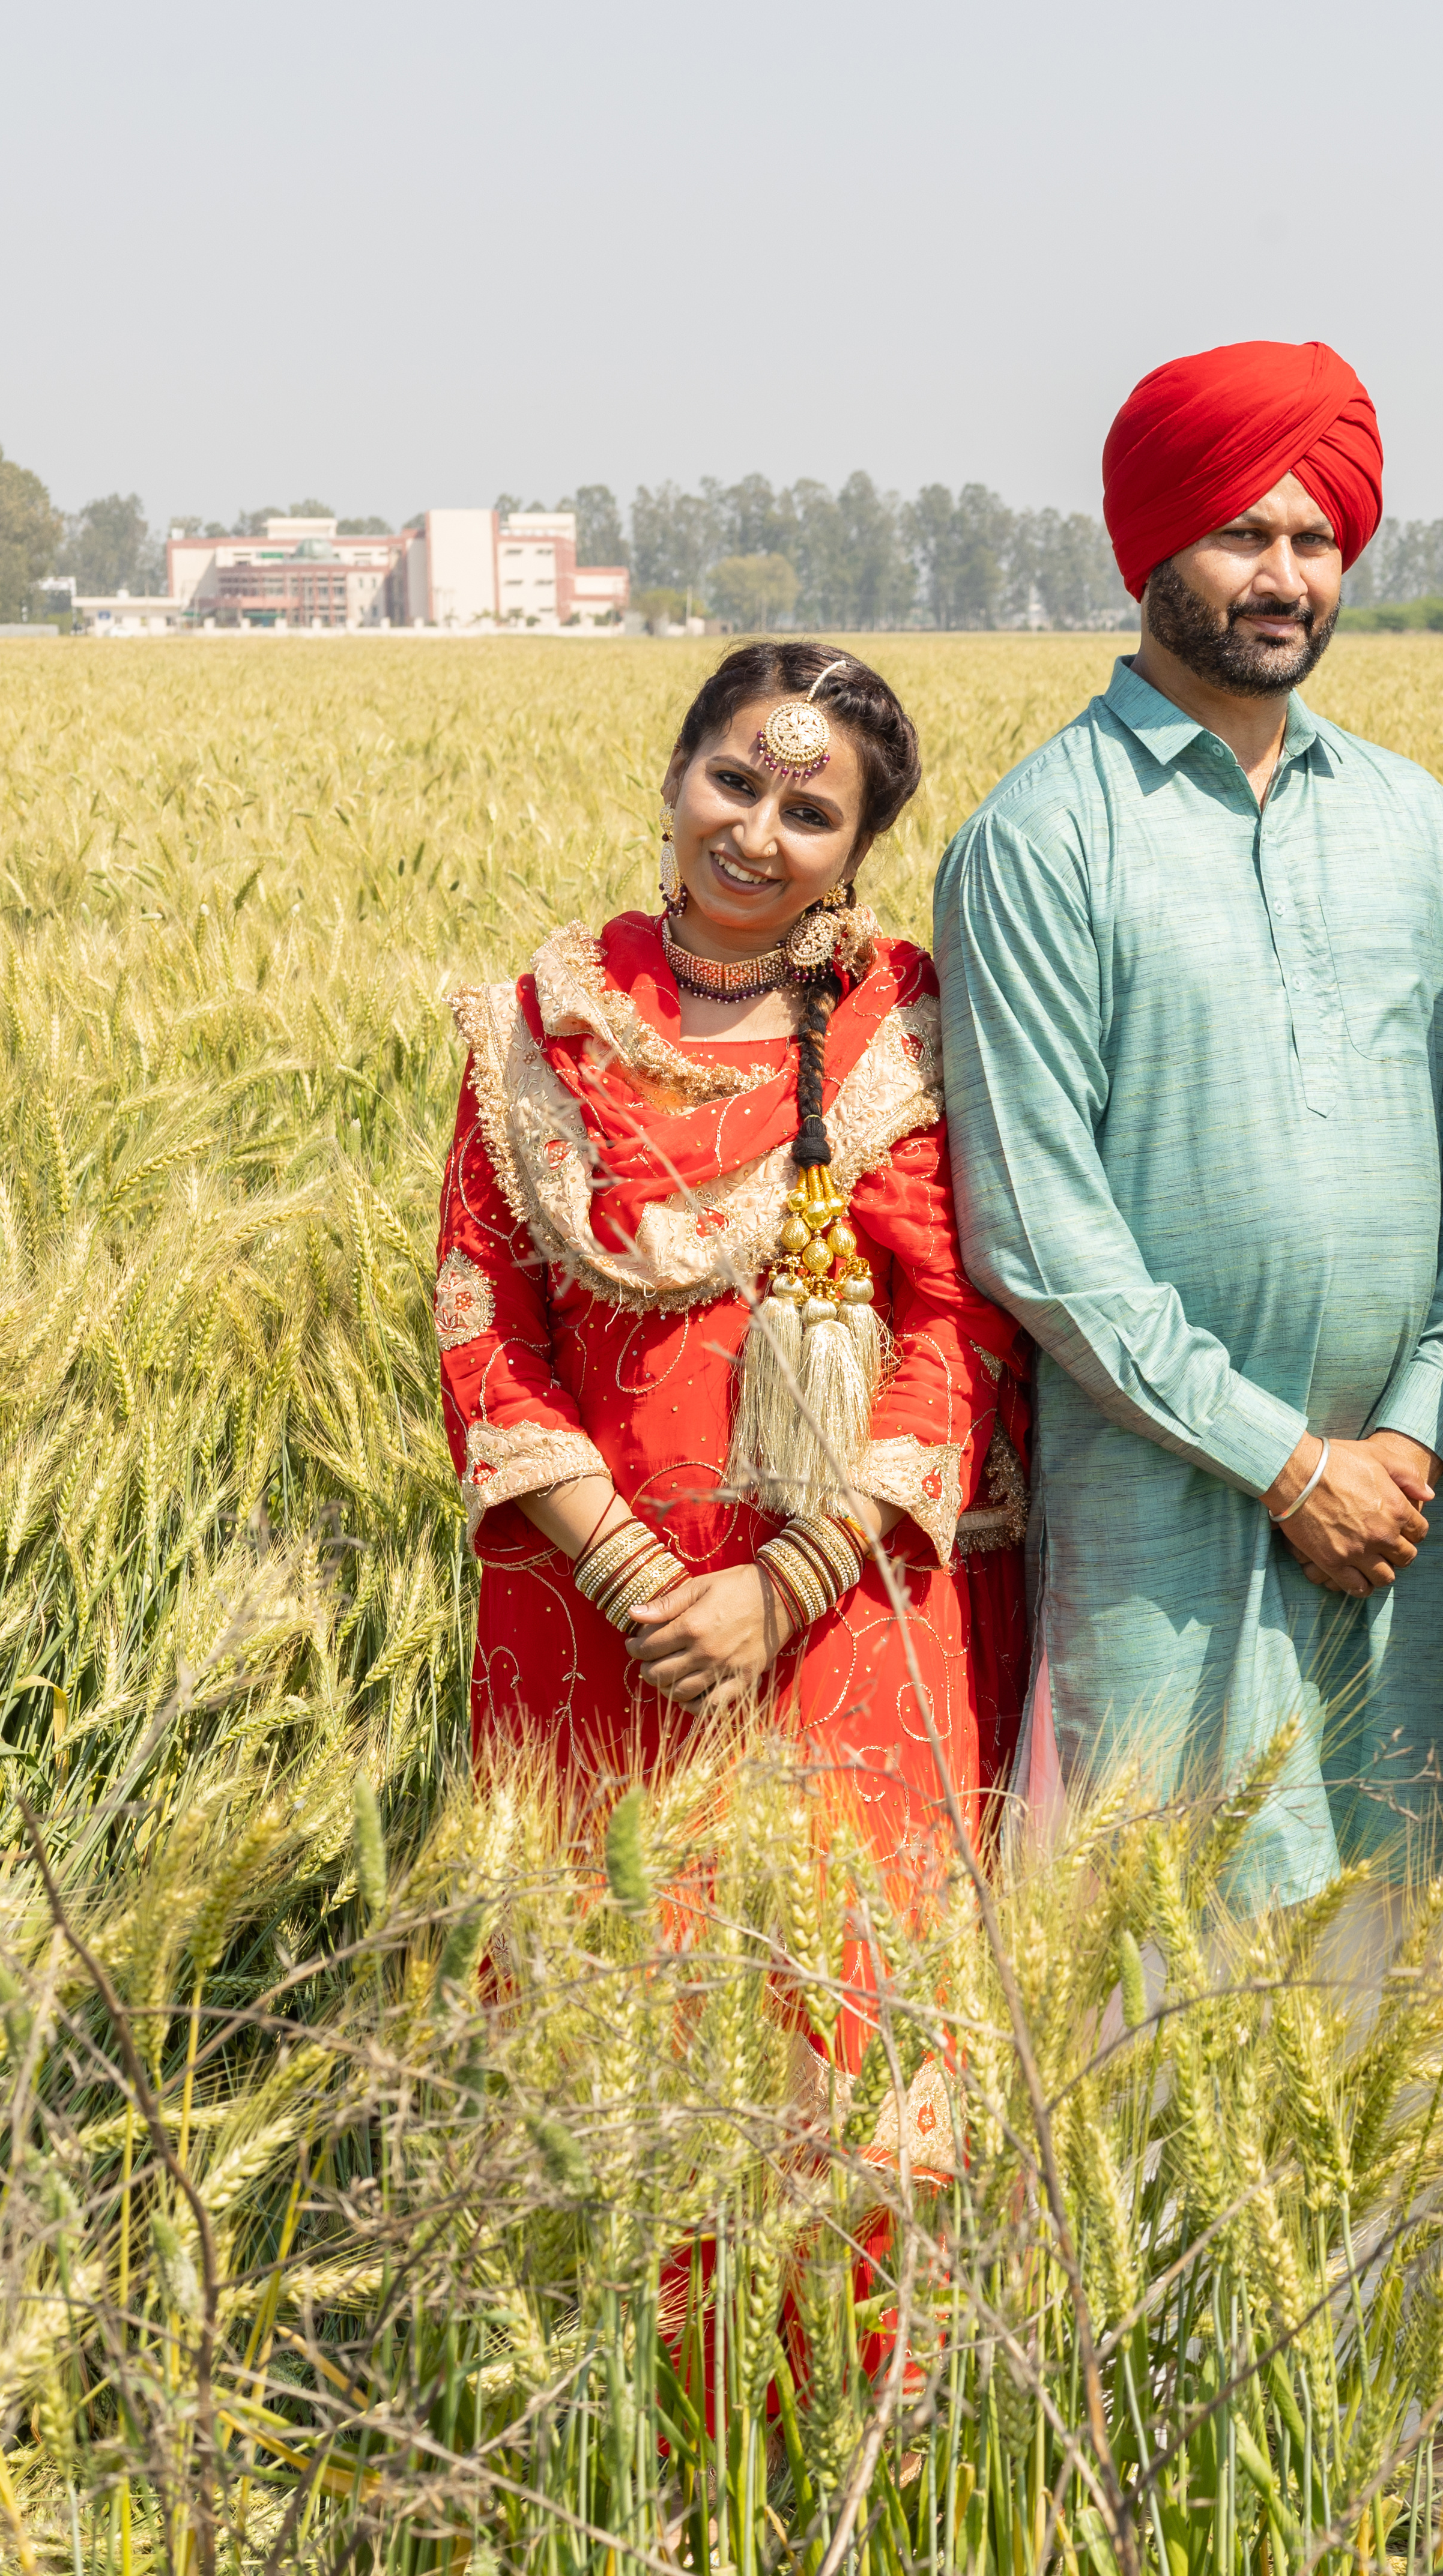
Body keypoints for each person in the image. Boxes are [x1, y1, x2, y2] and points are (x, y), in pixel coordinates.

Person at [937, 340, 1443, 1911]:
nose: (1283, 576)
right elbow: (1040, 1233)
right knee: (1175, 1990)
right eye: (1242, 534)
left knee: (1408, 1978)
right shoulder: (1041, 837)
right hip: (1166, 1529)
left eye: (1315, 540)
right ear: (1153, 550)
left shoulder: (1414, 822)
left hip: (1410, 1525)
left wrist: (1410, 1426)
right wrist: (1287, 1465)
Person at [438, 640, 1029, 1891]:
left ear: (857, 852)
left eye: (810, 812)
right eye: (733, 782)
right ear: (674, 777)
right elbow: (482, 1328)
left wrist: (780, 1588)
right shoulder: (540, 1026)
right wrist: (644, 1582)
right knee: (598, 2016)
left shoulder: (898, 1027)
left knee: (836, 2009)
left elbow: (959, 1328)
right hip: (597, 1616)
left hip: (841, 1608)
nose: (756, 832)